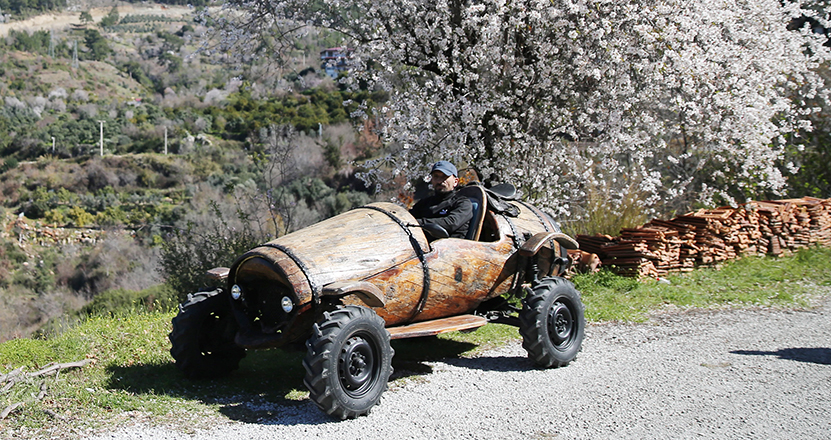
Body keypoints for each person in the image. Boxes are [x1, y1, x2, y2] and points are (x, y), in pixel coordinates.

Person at [409, 160, 473, 239]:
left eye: (444, 177)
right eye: (436, 176)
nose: (439, 181)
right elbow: (407, 217)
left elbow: (450, 223)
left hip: (451, 248)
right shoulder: (424, 203)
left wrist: (417, 223)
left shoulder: (462, 203)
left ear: (455, 181)